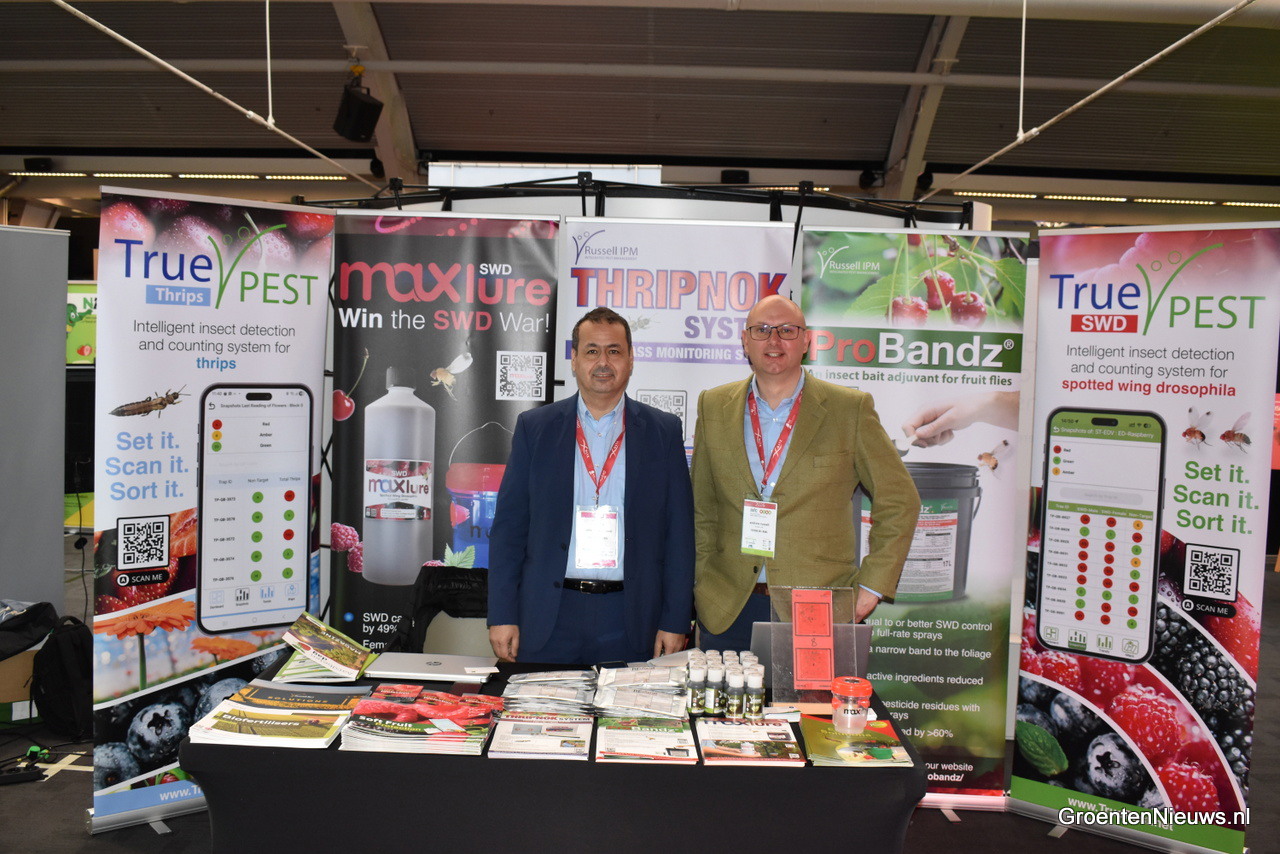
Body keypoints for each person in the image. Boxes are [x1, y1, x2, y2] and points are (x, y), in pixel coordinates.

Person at [691, 294, 919, 652]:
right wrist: (702, 581)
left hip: (818, 608)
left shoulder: (849, 409)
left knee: (813, 696)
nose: (774, 340)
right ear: (745, 340)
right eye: (762, 330)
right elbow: (702, 507)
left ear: (806, 341)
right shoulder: (713, 405)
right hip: (726, 608)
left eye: (787, 330)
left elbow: (900, 499)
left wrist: (872, 587)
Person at [487, 307, 694, 664]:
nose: (603, 362)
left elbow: (680, 535)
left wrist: (676, 619)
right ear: (574, 359)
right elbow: (509, 529)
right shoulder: (535, 428)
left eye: (614, 351)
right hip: (550, 616)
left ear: (631, 359)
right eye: (592, 351)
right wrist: (502, 614)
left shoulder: (663, 431)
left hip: (632, 618)